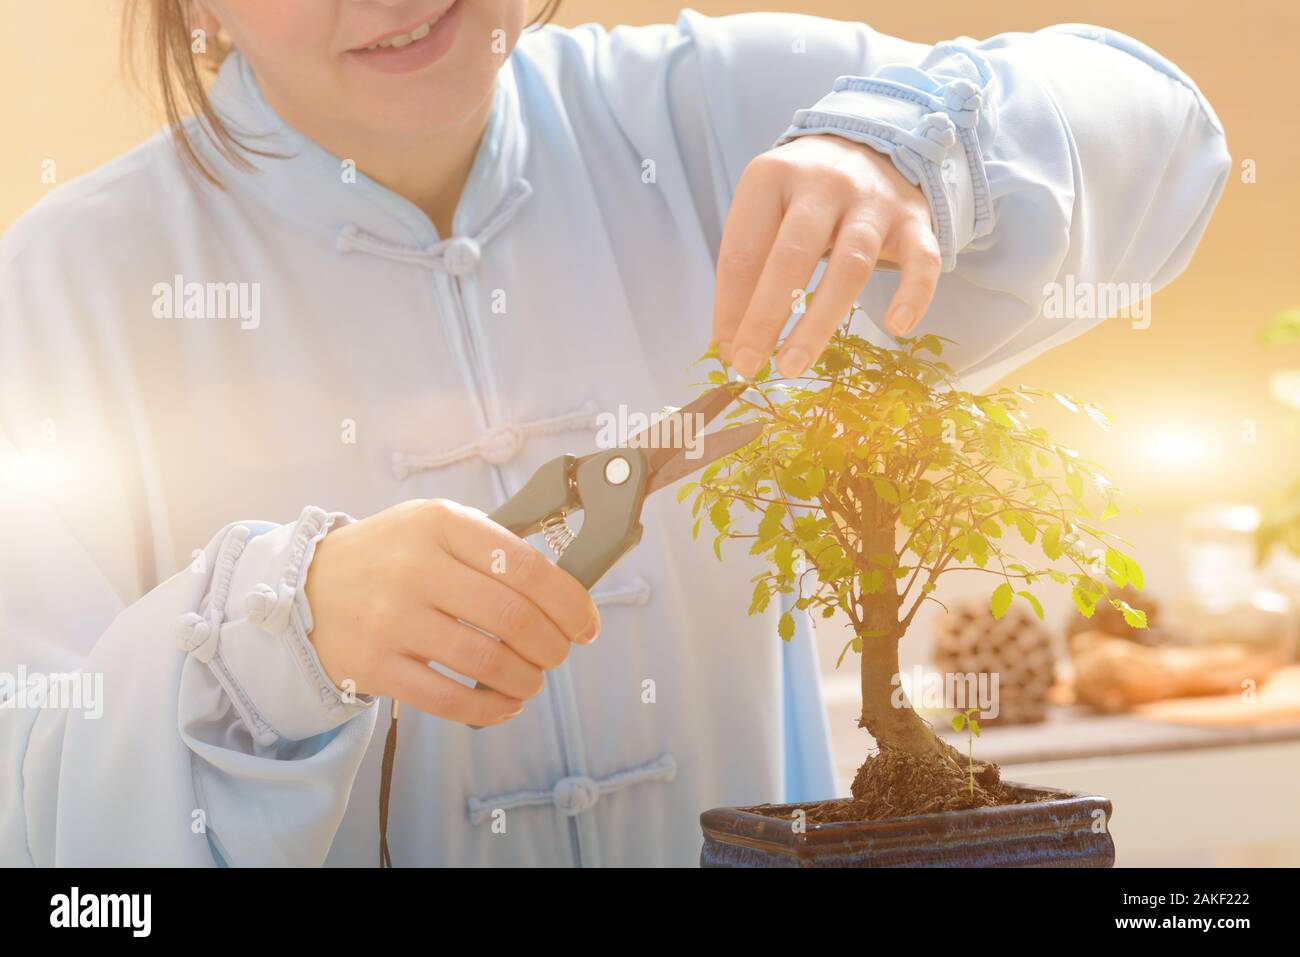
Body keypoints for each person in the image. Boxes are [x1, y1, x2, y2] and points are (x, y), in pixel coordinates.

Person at [0, 0, 1229, 866]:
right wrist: (279, 626)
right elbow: (37, 804)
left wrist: (907, 142)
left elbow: (1164, 137)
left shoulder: (717, 111)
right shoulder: (66, 285)